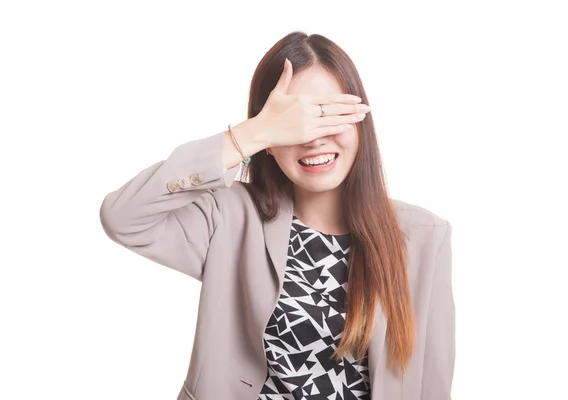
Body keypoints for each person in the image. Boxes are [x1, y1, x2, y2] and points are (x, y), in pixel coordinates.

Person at [100, 31, 455, 400]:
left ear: (361, 122)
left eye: (329, 115)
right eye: (293, 123)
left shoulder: (424, 238)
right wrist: (251, 134)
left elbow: (432, 382)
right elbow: (123, 217)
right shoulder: (231, 217)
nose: (314, 138)